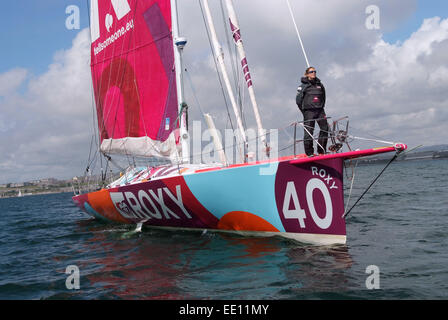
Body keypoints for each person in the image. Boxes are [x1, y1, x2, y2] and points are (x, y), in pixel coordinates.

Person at [296, 66, 328, 156]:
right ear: (307, 74)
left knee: (325, 129)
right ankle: (309, 153)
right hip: (308, 112)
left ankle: (321, 150)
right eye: (311, 72)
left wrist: (321, 106)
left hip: (320, 110)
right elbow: (298, 101)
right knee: (309, 132)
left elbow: (324, 97)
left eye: (315, 71)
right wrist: (304, 111)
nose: (313, 73)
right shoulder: (302, 86)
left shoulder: (320, 85)